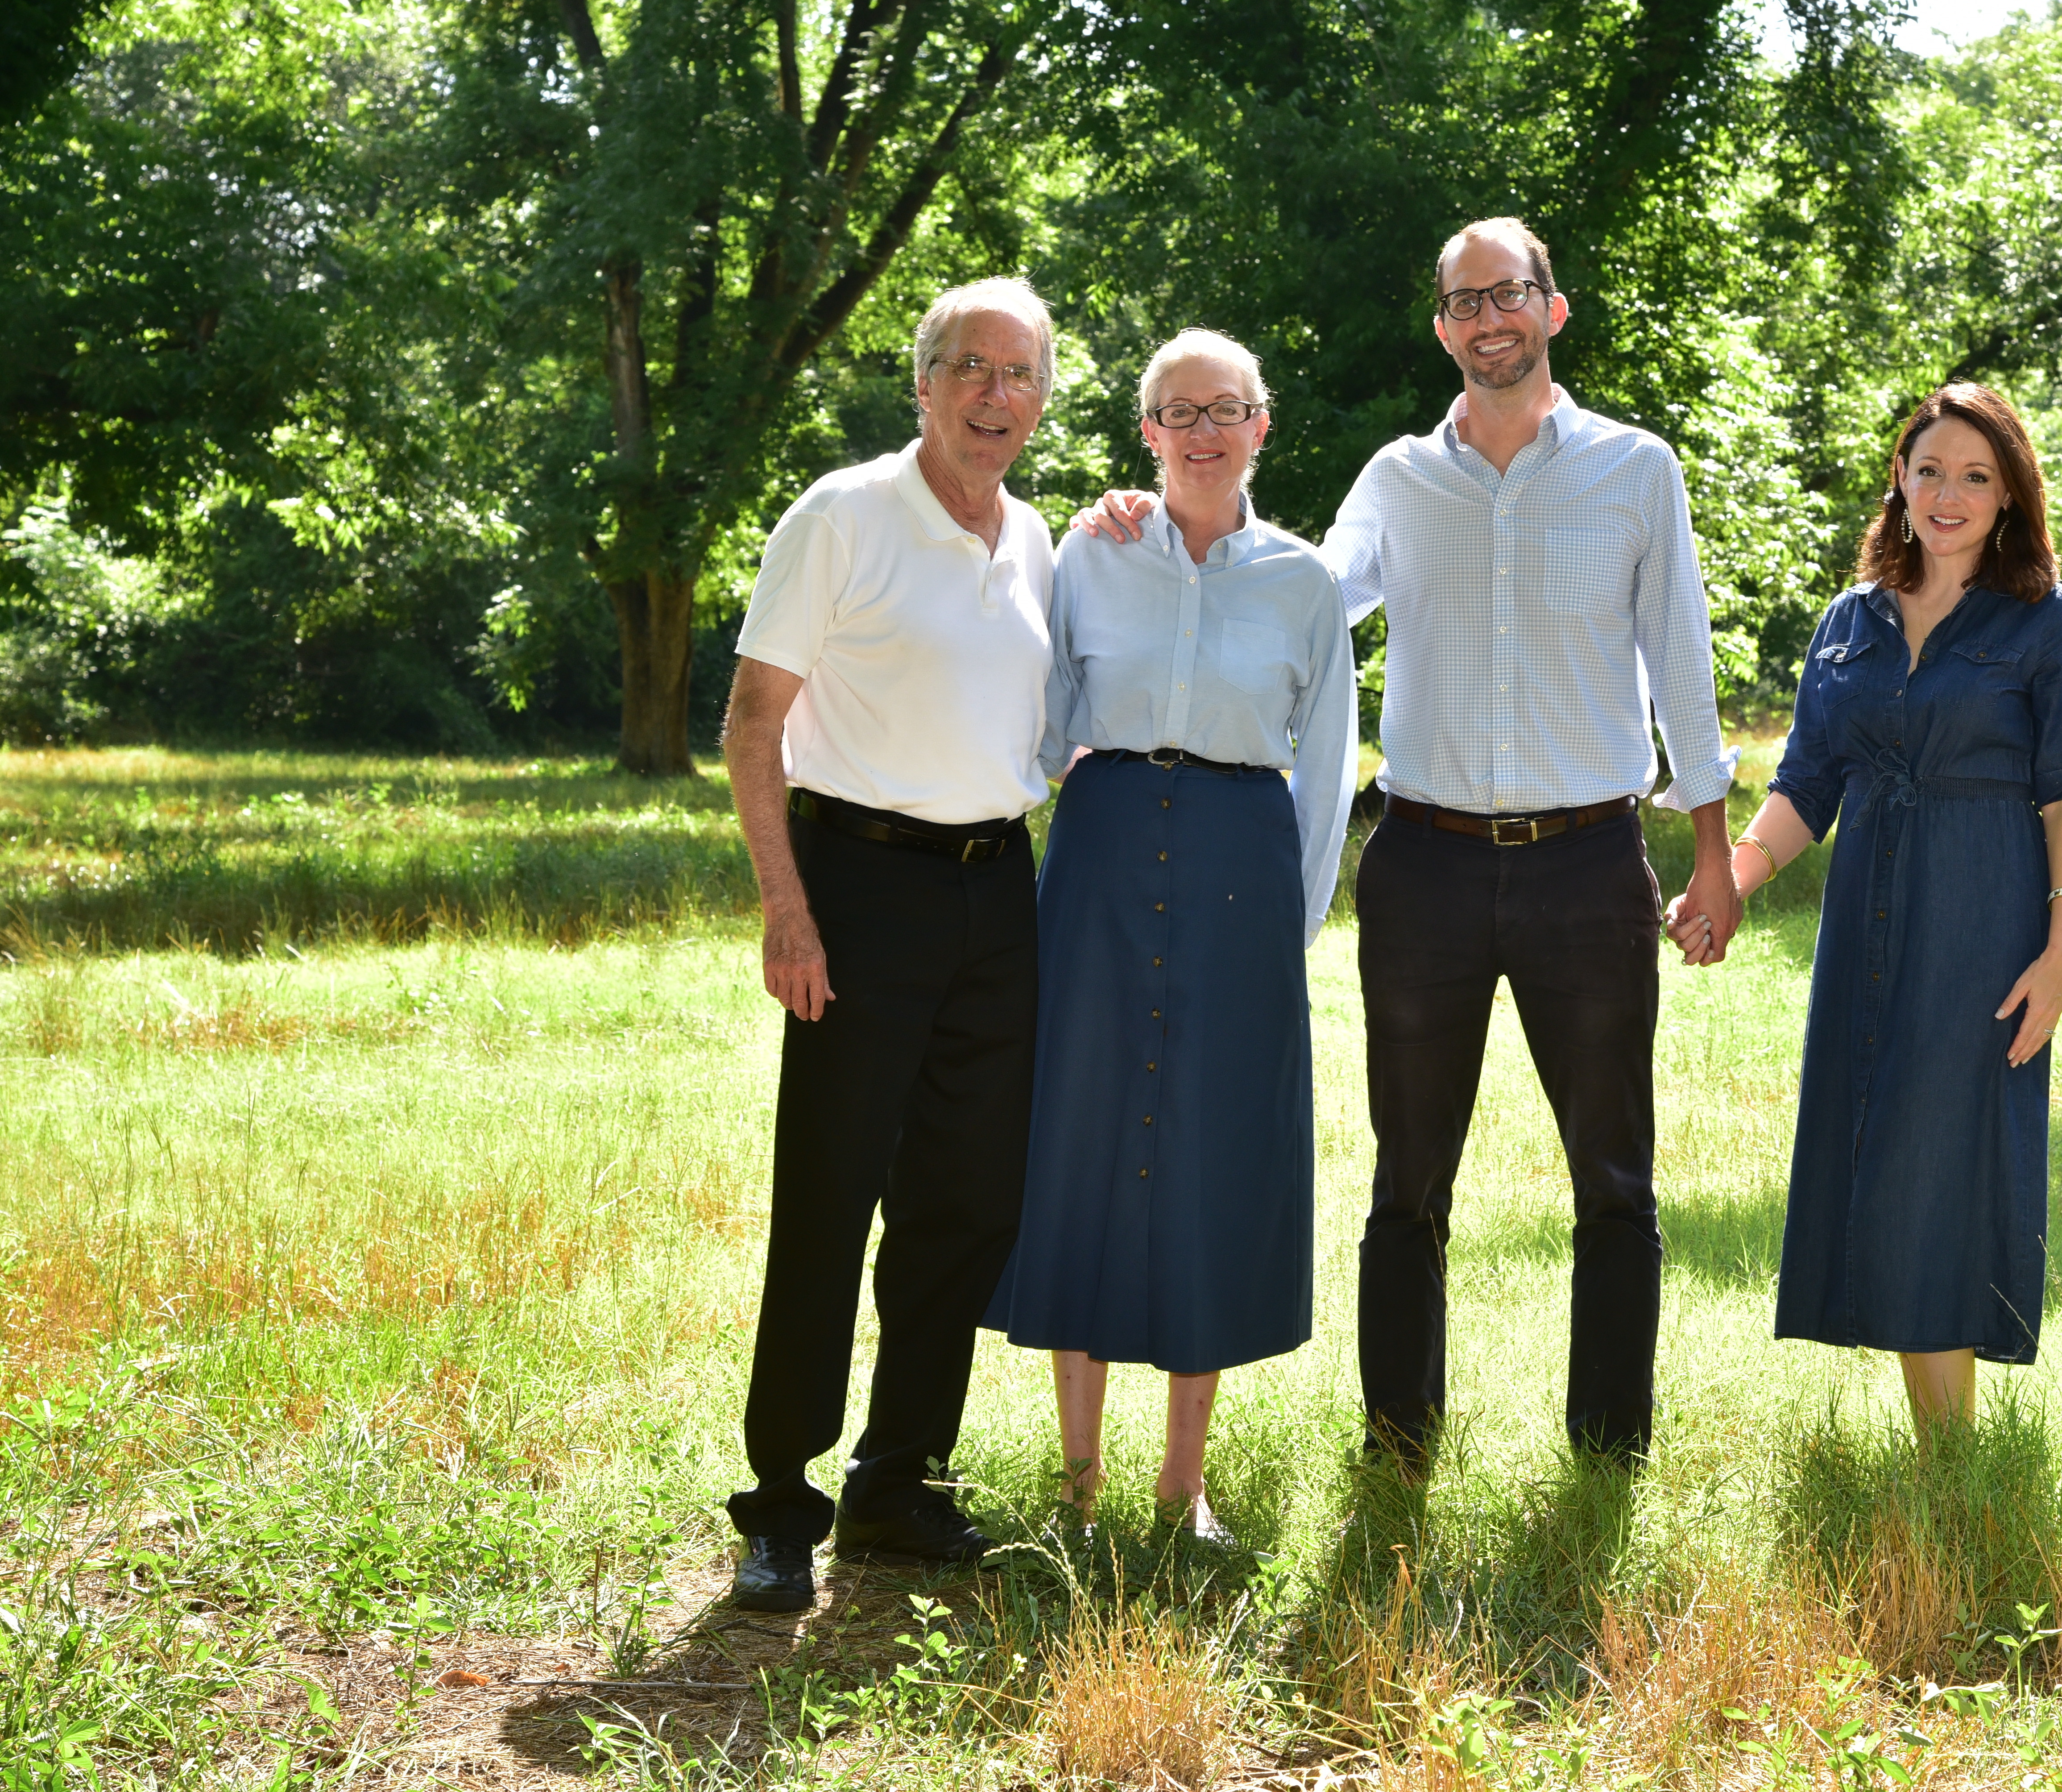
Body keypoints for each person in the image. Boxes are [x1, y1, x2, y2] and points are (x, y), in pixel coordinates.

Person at [1090, 219, 1742, 1468]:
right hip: (1425, 868)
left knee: (1614, 1177)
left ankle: (1610, 1450)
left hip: (1587, 866)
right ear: (1443, 329)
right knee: (1407, 1183)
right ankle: (1398, 1444)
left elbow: (1682, 658)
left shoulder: (1635, 468)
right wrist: (1174, 513)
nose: (1489, 318)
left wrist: (1710, 850)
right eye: (1465, 301)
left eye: (1510, 294)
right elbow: (1304, 594)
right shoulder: (1398, 478)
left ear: (1552, 308)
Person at [719, 277, 1061, 1613]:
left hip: (998, 893)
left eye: (1018, 374)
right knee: (830, 1191)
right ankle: (780, 1503)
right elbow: (753, 722)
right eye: (969, 368)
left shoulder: (1034, 537)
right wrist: (787, 907)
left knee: (965, 1204)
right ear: (922, 383)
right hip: (858, 887)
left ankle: (896, 1481)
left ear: (1041, 399)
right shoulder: (842, 514)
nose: (993, 395)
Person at [985, 329, 1356, 1545]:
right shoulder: (1088, 555)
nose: (1203, 431)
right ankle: (1078, 1484)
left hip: (1241, 870)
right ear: (1147, 432)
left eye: (1225, 409)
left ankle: (1181, 1485)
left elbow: (1325, 771)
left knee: (1211, 1147)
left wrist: (1290, 930)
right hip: (1100, 855)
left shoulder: (1305, 583)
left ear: (1261, 426)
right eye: (1179, 412)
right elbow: (1042, 725)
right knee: (1082, 1133)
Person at [1721, 382, 2062, 1430]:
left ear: (2008, 494)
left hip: (1980, 927)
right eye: (1929, 470)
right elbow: (1807, 785)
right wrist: (1729, 885)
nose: (1947, 495)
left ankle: (1950, 1460)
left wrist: (2059, 952)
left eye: (1975, 477)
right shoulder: (1848, 621)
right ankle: (1947, 1453)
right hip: (1864, 924)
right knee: (1876, 1153)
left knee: (1934, 1163)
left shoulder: (2048, 622)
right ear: (1898, 479)